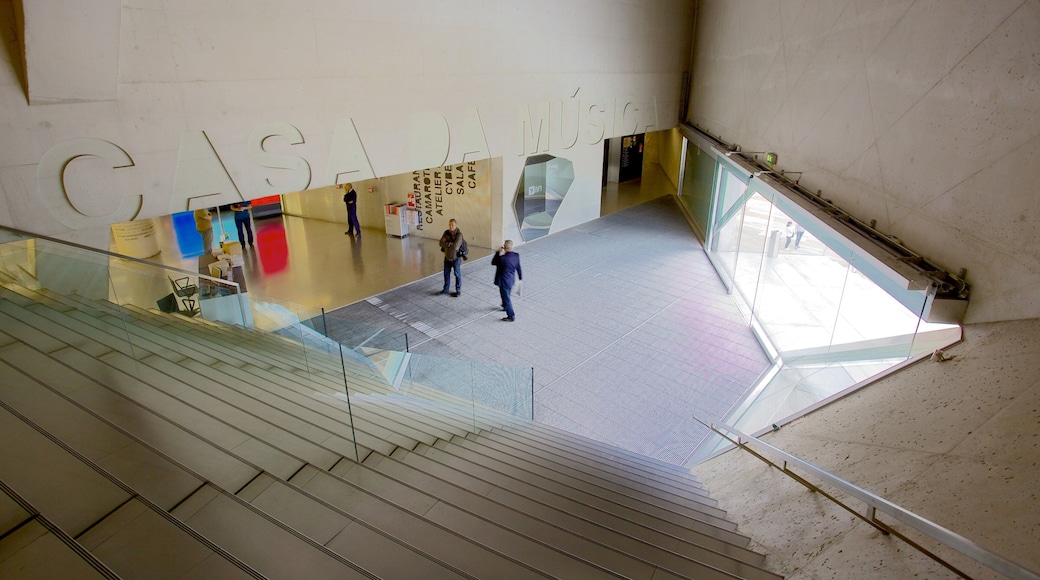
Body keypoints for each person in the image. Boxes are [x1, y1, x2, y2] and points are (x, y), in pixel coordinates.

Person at [492, 239, 522, 322]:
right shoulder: (516, 256)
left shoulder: (502, 258)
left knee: (506, 299)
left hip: (503, 281)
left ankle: (511, 316)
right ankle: (505, 306)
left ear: (504, 247)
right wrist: (520, 277)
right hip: (511, 280)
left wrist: (497, 252)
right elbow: (518, 267)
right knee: (507, 295)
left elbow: (493, 262)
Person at [439, 218, 467, 297]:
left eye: (452, 225)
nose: (451, 226)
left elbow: (456, 247)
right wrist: (450, 243)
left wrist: (447, 243)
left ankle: (458, 290)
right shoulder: (446, 232)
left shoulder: (459, 235)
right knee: (446, 274)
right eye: (449, 225)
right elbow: (440, 243)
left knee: (457, 274)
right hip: (447, 258)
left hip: (456, 259)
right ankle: (446, 289)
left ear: (456, 225)